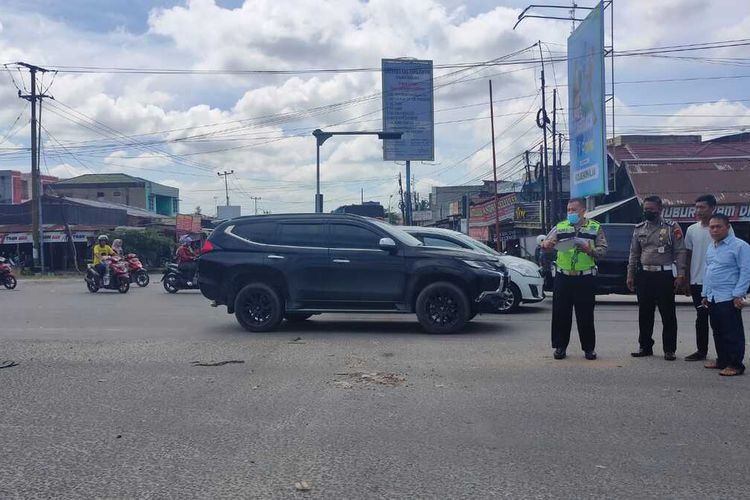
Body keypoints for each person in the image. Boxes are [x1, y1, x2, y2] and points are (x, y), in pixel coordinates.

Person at [542, 197, 607, 360]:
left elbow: (603, 251)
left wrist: (588, 249)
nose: (570, 212)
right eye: (568, 210)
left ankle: (588, 349)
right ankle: (560, 347)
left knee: (585, 314)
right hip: (563, 277)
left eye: (574, 210)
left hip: (584, 278)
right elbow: (546, 243)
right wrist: (547, 244)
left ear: (583, 211)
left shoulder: (595, 227)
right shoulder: (561, 226)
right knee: (560, 314)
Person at [627, 196, 687, 361]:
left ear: (660, 210)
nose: (648, 212)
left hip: (664, 275)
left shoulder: (671, 227)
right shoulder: (639, 228)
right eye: (646, 209)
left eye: (651, 209)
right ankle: (645, 346)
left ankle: (669, 349)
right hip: (645, 275)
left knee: (667, 313)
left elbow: (680, 251)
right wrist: (630, 274)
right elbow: (634, 253)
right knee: (644, 313)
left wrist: (681, 274)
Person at [683, 195, 733, 361]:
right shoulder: (691, 230)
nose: (698, 211)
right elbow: (688, 256)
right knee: (701, 318)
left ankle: (724, 356)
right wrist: (687, 279)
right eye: (696, 207)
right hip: (698, 281)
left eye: (702, 207)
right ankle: (701, 351)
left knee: (720, 321)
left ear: (713, 208)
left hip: (718, 283)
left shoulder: (723, 229)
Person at [701, 213, 749, 377]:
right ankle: (722, 360)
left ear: (727, 227)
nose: (714, 230)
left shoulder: (740, 246)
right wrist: (705, 293)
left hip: (729, 297)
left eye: (718, 226)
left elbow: (746, 271)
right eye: (711, 227)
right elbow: (708, 270)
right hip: (714, 297)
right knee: (718, 330)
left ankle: (736, 364)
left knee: (732, 332)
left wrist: (738, 294)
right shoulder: (711, 246)